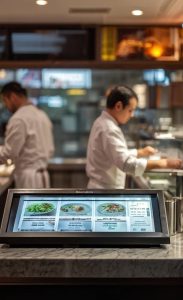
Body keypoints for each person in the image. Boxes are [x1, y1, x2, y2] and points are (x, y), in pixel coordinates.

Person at [86, 85, 183, 189]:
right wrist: (164, 163)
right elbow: (126, 163)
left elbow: (114, 155)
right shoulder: (109, 128)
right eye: (130, 110)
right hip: (105, 191)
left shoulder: (102, 122)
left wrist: (139, 152)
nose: (131, 115)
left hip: (102, 188)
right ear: (118, 106)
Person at [0, 81, 55, 188]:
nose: (6, 106)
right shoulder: (42, 115)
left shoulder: (19, 118)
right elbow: (50, 150)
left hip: (28, 178)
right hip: (43, 175)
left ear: (13, 96)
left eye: (5, 101)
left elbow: (9, 153)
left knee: (31, 205)